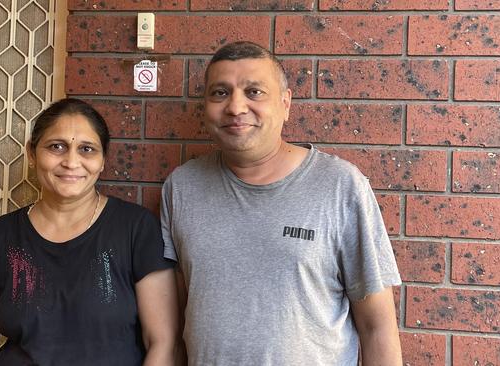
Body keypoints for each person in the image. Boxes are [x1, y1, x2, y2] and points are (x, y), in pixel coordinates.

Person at [161, 41, 403, 365]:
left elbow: (378, 328)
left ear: (286, 104)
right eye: (220, 93)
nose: (235, 107)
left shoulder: (340, 186)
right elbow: (175, 323)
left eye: (254, 92)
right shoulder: (181, 188)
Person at [0, 98, 179, 365]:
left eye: (87, 149)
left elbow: (163, 343)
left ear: (103, 160)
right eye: (56, 147)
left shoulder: (136, 229)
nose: (71, 162)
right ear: (32, 155)